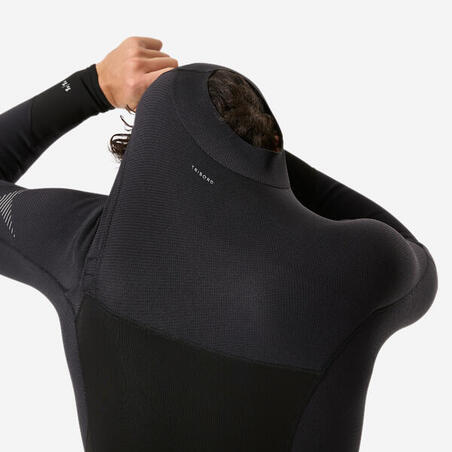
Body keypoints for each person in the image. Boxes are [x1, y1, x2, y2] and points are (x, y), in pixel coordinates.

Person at [0, 36, 438, 452]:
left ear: (145, 150)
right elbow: (419, 261)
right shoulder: (357, 266)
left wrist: (91, 87)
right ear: (273, 146)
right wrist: (257, 156)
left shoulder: (84, 246)